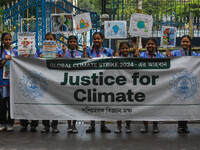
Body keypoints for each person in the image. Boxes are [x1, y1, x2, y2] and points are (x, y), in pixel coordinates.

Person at [166, 35, 197, 133]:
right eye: (183, 41)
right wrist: (167, 55)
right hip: (177, 82)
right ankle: (180, 125)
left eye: (187, 42)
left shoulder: (194, 54)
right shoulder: (174, 53)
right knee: (180, 104)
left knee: (188, 104)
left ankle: (185, 125)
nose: (185, 43)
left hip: (190, 82)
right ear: (181, 43)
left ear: (190, 43)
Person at [84, 32, 114, 133]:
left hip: (104, 81)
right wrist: (86, 56)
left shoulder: (109, 51)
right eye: (94, 39)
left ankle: (103, 125)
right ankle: (91, 125)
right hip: (91, 80)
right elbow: (83, 61)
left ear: (102, 39)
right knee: (91, 103)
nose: (96, 41)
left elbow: (113, 62)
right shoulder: (88, 50)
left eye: (98, 39)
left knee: (103, 103)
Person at [58, 35, 84, 133]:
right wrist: (64, 52)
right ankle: (69, 124)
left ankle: (74, 124)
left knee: (75, 104)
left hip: (77, 81)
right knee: (68, 104)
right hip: (66, 81)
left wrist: (85, 51)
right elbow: (60, 62)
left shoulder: (80, 53)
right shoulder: (62, 52)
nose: (72, 43)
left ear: (77, 43)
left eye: (74, 42)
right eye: (71, 42)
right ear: (68, 43)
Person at [40, 32, 65, 133]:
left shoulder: (59, 50)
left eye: (51, 39)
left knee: (55, 103)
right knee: (44, 103)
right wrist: (40, 56)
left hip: (55, 79)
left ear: (55, 40)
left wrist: (62, 54)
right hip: (44, 79)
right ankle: (46, 125)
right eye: (47, 39)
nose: (49, 41)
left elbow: (64, 61)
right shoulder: (40, 50)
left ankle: (55, 125)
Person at [139, 37, 165, 133]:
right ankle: (145, 124)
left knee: (156, 105)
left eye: (152, 44)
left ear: (156, 46)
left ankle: (155, 124)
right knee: (144, 105)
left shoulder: (161, 57)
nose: (150, 46)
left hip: (157, 85)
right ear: (146, 46)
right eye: (148, 44)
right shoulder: (141, 56)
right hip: (144, 85)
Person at [0, 32, 18, 132]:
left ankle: (11, 122)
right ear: (2, 41)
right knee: (2, 103)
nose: (8, 41)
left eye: (9, 39)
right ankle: (3, 122)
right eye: (6, 39)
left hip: (13, 81)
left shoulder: (15, 52)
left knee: (11, 103)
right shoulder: (0, 52)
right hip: (2, 81)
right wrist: (4, 60)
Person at [115, 42, 132, 133]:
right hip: (119, 86)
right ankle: (118, 125)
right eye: (123, 48)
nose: (125, 50)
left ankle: (128, 125)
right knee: (119, 106)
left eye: (126, 48)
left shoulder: (132, 58)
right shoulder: (117, 59)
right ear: (120, 49)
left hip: (130, 86)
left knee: (129, 106)